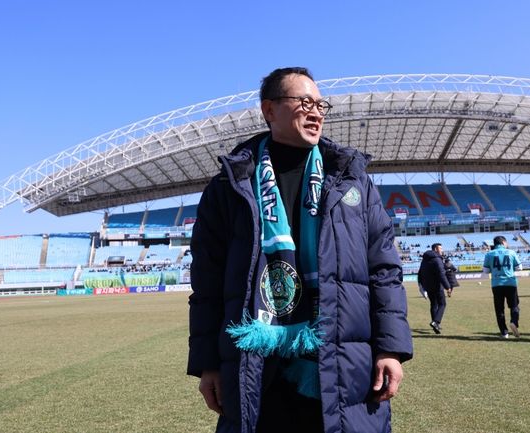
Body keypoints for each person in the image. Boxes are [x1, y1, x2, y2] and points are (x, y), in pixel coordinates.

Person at [187, 67, 413, 433]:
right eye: (304, 101)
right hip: (257, 365)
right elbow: (208, 283)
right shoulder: (229, 188)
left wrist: (391, 349)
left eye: (321, 104)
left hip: (339, 359)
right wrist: (208, 363)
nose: (316, 111)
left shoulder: (351, 180)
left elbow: (383, 269)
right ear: (269, 110)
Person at [482, 236, 522, 339]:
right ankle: (514, 322)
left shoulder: (489, 254)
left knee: (499, 309)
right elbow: (519, 267)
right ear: (503, 242)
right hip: (510, 282)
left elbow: (486, 271)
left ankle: (504, 333)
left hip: (496, 284)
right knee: (514, 306)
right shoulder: (511, 252)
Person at [418, 243, 452, 334]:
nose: (442, 250)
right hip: (437, 285)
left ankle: (435, 326)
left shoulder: (424, 259)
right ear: (436, 249)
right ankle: (436, 322)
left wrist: (421, 284)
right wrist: (447, 287)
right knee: (442, 304)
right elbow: (441, 273)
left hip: (428, 286)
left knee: (433, 304)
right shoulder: (437, 259)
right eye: (440, 248)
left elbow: (420, 272)